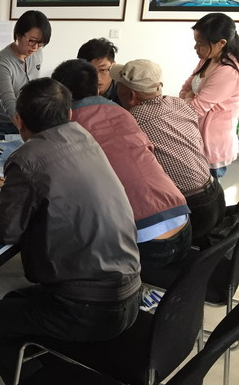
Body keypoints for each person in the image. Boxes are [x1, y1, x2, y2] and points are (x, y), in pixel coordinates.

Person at [0, 78, 140, 385]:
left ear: (19, 121)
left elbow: (6, 231)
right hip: (129, 293)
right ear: (69, 114)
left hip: (85, 309)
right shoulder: (85, 138)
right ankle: (47, 369)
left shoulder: (27, 158)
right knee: (14, 300)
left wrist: (4, 212)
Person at [52, 59, 191, 272]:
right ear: (97, 87)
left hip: (145, 242)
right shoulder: (124, 113)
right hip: (183, 223)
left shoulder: (70, 126)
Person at [115, 59, 225, 244]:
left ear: (131, 95)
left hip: (189, 209)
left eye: (118, 84)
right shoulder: (180, 104)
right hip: (215, 194)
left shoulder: (132, 122)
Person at [180, 12, 239, 178]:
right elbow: (184, 88)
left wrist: (189, 96)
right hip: (197, 136)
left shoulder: (228, 71)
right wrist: (189, 95)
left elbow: (194, 109)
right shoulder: (206, 59)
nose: (195, 48)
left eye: (200, 44)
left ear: (222, 43)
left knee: (209, 190)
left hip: (212, 143)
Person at [0, 10, 51, 138]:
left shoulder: (37, 53)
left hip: (26, 120)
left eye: (40, 43)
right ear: (18, 35)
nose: (35, 47)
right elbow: (9, 102)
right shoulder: (1, 63)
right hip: (0, 125)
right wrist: (28, 132)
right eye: (31, 41)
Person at [77, 37, 120, 104]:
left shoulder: (124, 94)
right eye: (89, 71)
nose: (96, 78)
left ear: (113, 67)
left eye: (102, 70)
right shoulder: (71, 91)